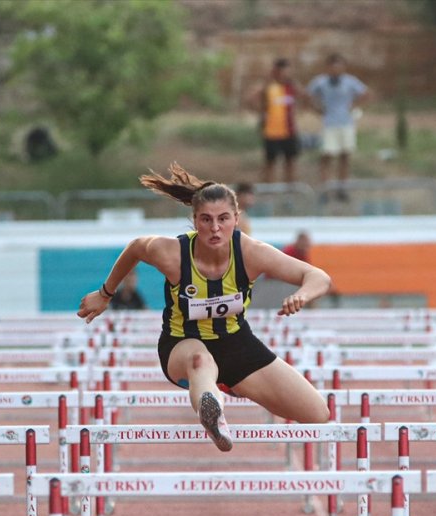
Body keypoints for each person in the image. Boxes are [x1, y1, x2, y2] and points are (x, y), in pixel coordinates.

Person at [78, 163, 332, 452]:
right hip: (182, 344)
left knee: (317, 413)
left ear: (237, 219)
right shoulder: (173, 254)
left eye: (223, 219)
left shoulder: (252, 253)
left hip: (236, 344)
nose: (215, 228)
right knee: (201, 360)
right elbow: (136, 247)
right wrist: (105, 293)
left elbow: (318, 277)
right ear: (194, 220)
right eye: (206, 219)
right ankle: (214, 414)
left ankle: (227, 386)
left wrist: (302, 295)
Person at [307, 54, 369, 202]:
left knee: (345, 156)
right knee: (326, 156)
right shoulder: (321, 82)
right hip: (329, 124)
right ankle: (325, 188)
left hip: (346, 123)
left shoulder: (350, 81)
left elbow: (366, 93)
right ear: (328, 67)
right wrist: (317, 109)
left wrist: (354, 106)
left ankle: (342, 188)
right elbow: (307, 95)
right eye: (333, 67)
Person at [249, 59, 304, 184]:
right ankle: (268, 188)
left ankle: (289, 189)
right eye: (283, 71)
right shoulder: (268, 86)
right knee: (270, 163)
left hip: (289, 130)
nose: (286, 74)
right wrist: (261, 111)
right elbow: (251, 98)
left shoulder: (291, 86)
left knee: (290, 162)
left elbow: (305, 95)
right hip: (271, 131)